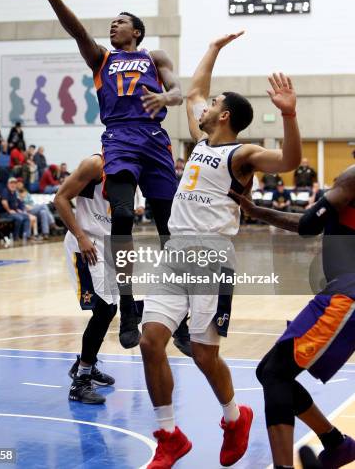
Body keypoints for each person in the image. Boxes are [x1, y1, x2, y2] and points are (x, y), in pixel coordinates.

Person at [140, 32, 302, 468]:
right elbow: (193, 90)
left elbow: (288, 160)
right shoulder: (201, 140)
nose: (203, 106)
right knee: (150, 340)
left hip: (210, 256)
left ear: (224, 115)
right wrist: (214, 48)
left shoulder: (241, 153)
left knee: (203, 353)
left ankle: (234, 418)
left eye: (213, 105)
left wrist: (288, 115)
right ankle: (169, 435)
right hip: (175, 252)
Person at [25, 0, 184, 350]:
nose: (113, 27)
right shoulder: (101, 59)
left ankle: (178, 311)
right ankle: (128, 305)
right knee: (125, 215)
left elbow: (180, 90)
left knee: (169, 228)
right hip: (120, 139)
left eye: (121, 22)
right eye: (112, 23)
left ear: (137, 32)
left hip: (155, 140)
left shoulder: (154, 55)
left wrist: (165, 97)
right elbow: (78, 30)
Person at [233, 165, 355, 469]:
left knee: (275, 373)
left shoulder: (351, 177)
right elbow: (308, 223)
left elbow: (309, 224)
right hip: (339, 292)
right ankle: (335, 444)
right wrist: (258, 211)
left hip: (347, 295)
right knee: (272, 372)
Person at [54, 154, 117, 404]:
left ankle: (84, 365)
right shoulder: (96, 164)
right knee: (103, 310)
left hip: (108, 245)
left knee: (109, 310)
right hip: (85, 245)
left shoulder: (134, 169)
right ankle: (80, 382)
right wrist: (80, 237)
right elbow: (60, 198)